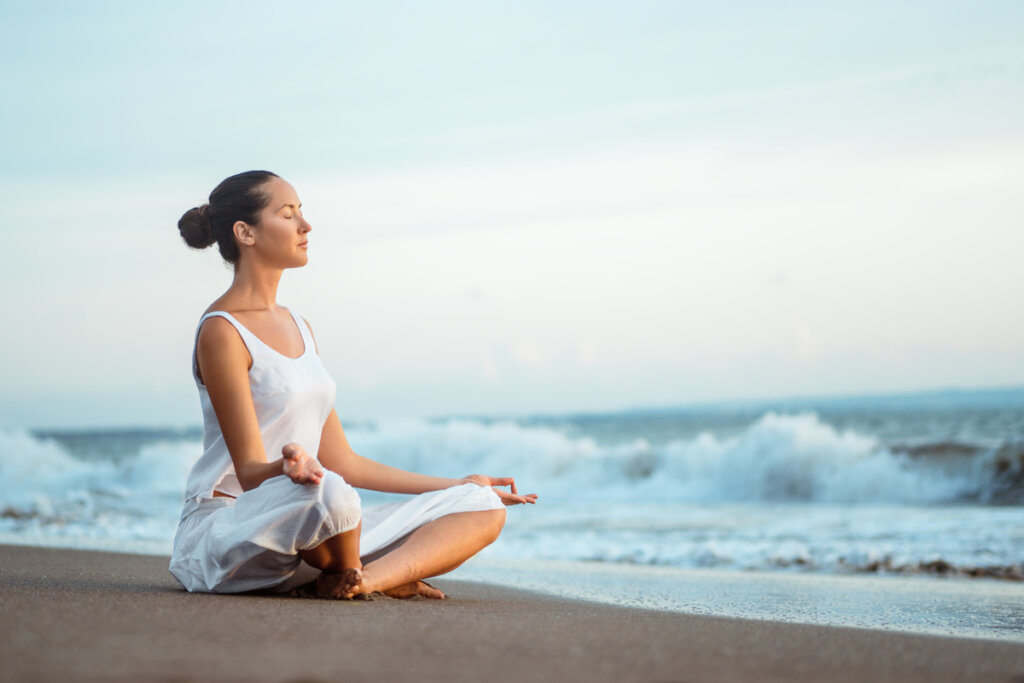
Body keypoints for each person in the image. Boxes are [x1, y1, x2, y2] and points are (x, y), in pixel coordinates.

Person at [170, 170, 536, 600]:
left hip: (316, 526)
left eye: (302, 213)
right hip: (231, 530)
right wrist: (288, 469)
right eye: (288, 215)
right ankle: (359, 570)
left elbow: (343, 460)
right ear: (245, 232)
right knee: (331, 495)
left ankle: (362, 580)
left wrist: (458, 485)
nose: (305, 226)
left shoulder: (300, 328)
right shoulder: (222, 331)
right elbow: (250, 474)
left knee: (483, 506)